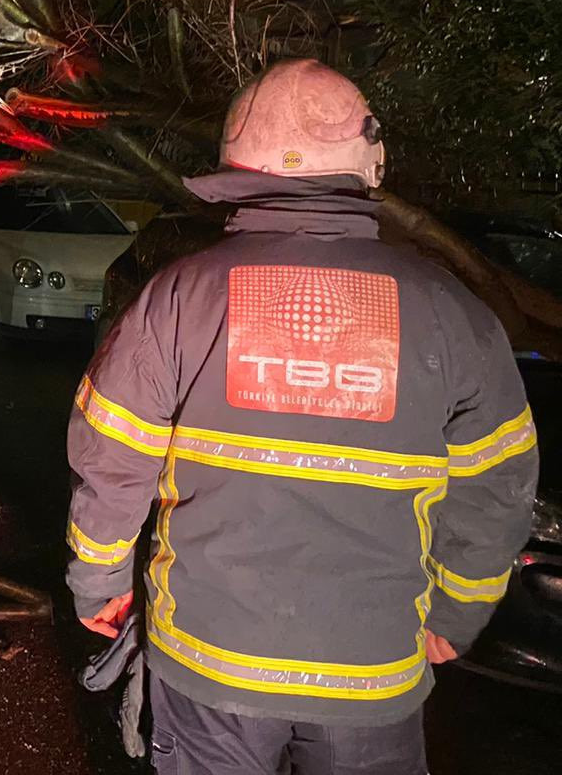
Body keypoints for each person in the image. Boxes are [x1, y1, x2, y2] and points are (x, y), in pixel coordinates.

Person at [65, 58, 539, 774]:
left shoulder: (182, 296)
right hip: (373, 674)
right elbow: (500, 487)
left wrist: (97, 583)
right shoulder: (452, 314)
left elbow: (112, 458)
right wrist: (457, 614)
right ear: (363, 164)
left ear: (241, 166)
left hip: (210, 664)